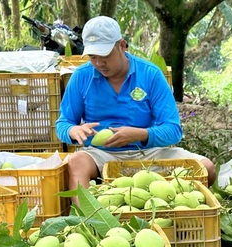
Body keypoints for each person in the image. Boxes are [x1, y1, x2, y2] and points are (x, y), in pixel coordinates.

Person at [55, 16, 216, 197]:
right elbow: (63, 124)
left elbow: (173, 131)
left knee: (207, 168)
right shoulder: (81, 76)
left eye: (105, 56)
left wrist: (141, 134)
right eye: (93, 57)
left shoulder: (150, 74)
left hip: (150, 153)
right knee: (76, 163)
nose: (99, 63)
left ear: (122, 46)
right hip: (101, 155)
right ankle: (88, 220)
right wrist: (73, 131)